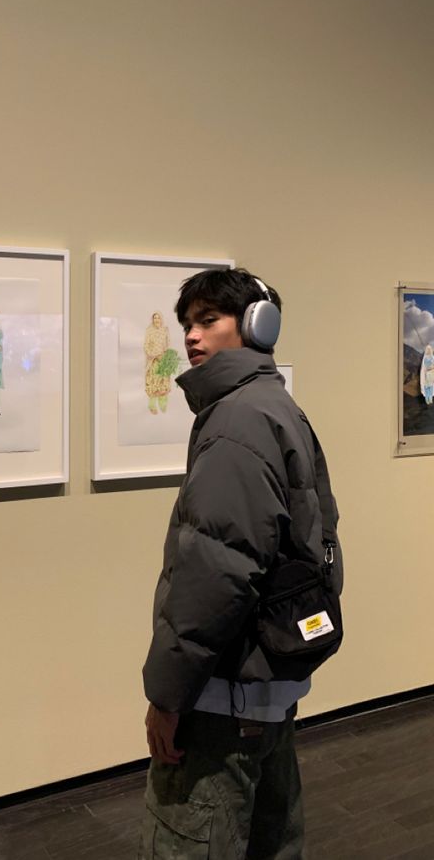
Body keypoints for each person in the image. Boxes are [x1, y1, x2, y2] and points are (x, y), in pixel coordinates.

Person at [139, 268, 342, 860]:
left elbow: (216, 571)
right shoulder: (276, 405)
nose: (193, 338)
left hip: (223, 696)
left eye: (209, 320)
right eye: (187, 325)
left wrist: (168, 695)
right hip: (268, 688)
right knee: (271, 839)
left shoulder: (235, 422)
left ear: (256, 325)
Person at [144, 312, 172, 414]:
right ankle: (152, 407)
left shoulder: (165, 330)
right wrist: (155, 355)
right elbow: (146, 346)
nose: (156, 320)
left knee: (163, 384)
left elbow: (168, 344)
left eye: (158, 318)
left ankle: (163, 406)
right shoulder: (149, 330)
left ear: (161, 319)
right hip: (153, 361)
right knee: (153, 383)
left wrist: (164, 356)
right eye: (155, 318)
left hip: (163, 361)